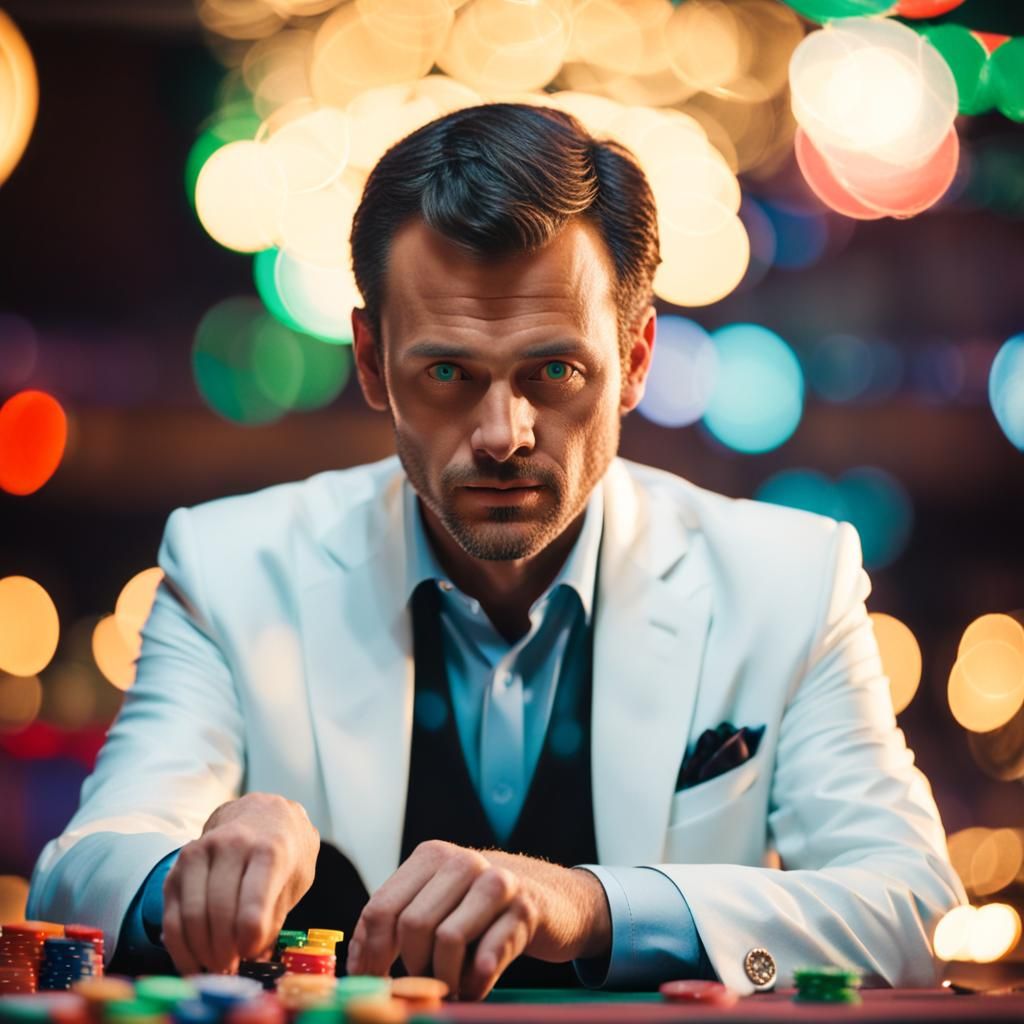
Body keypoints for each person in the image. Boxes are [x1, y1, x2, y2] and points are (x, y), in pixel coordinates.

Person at [28, 103, 965, 1000]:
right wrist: (189, 873)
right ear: (369, 363)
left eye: (553, 371)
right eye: (447, 373)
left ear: (635, 359)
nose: (503, 432)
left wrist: (596, 904)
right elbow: (79, 878)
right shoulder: (230, 567)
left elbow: (911, 914)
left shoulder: (790, 580)